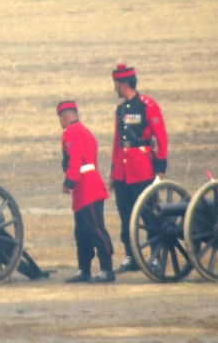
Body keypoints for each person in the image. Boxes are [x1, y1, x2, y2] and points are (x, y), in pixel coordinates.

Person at [108, 64, 169, 273]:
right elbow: (118, 141)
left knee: (149, 215)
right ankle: (131, 255)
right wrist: (113, 171)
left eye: (116, 84)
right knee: (126, 215)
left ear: (124, 84)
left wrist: (160, 168)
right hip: (123, 172)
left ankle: (155, 257)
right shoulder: (121, 110)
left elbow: (161, 138)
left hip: (142, 168)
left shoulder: (147, 105)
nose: (115, 88)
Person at [57, 101, 115, 283]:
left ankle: (107, 269)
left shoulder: (71, 132)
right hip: (88, 186)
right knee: (82, 231)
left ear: (63, 118)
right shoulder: (85, 130)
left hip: (86, 187)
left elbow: (74, 158)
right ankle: (85, 270)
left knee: (95, 230)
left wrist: (69, 182)